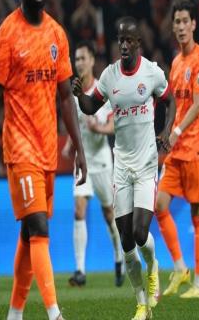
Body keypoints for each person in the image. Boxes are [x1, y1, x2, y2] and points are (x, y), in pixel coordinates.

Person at [0, 0, 87, 320]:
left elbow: (66, 97)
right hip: (19, 147)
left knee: (29, 233)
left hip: (47, 148)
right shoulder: (7, 34)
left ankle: (14, 314)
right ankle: (55, 314)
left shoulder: (56, 33)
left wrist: (79, 149)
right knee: (39, 226)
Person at [72, 16, 176, 320]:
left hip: (145, 164)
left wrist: (166, 131)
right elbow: (91, 106)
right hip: (121, 167)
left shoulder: (152, 73)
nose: (124, 45)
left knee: (141, 232)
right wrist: (79, 95)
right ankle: (141, 303)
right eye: (121, 41)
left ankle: (153, 267)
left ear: (138, 42)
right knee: (126, 239)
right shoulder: (109, 76)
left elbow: (169, 101)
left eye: (129, 40)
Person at [155, 0, 199, 299]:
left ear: (193, 25)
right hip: (177, 150)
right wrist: (168, 132)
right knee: (159, 205)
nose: (180, 27)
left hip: (196, 148)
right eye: (176, 22)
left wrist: (176, 132)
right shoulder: (176, 62)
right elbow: (175, 105)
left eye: (184, 21)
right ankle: (180, 268)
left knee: (197, 212)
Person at [61, 40, 124, 288]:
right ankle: (80, 270)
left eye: (82, 58)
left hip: (102, 161)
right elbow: (75, 124)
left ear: (92, 61)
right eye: (76, 59)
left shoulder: (102, 91)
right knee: (79, 210)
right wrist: (70, 144)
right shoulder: (73, 93)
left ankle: (119, 256)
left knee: (109, 214)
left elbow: (113, 125)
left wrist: (99, 128)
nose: (79, 63)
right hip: (82, 160)